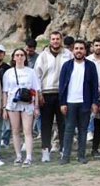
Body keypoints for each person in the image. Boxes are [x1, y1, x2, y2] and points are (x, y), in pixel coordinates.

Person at [34, 31, 73, 162]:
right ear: (49, 40)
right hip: (46, 93)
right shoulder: (43, 56)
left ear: (61, 40)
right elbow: (37, 75)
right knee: (46, 124)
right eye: (53, 39)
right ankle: (46, 150)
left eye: (58, 39)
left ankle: (63, 149)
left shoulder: (68, 55)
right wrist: (39, 93)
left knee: (63, 123)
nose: (55, 41)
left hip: (63, 94)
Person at [59, 40, 99, 164]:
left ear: (85, 51)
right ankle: (66, 156)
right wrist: (63, 102)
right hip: (70, 102)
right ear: (73, 50)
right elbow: (62, 86)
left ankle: (81, 155)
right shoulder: (67, 65)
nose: (79, 51)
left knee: (83, 130)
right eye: (76, 48)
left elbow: (94, 85)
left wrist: (94, 102)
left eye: (81, 48)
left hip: (85, 102)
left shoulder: (90, 66)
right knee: (69, 130)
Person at [2, 48, 41, 167]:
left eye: (21, 55)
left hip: (27, 104)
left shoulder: (31, 72)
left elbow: (35, 90)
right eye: (17, 55)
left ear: (25, 57)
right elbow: (5, 92)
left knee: (27, 130)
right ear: (13, 57)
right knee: (15, 130)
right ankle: (18, 155)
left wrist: (36, 106)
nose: (19, 57)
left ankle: (28, 157)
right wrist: (4, 108)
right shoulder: (8, 73)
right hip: (13, 104)